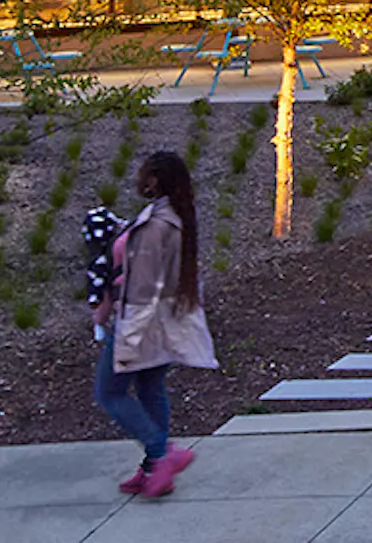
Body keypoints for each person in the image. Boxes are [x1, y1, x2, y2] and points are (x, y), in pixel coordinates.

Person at [96, 150, 217, 497]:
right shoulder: (175, 218)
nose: (138, 177)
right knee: (150, 389)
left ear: (154, 180)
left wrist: (123, 331)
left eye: (143, 172)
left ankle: (161, 452)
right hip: (164, 321)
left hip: (141, 322)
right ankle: (153, 469)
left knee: (110, 392)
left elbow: (143, 286)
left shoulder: (156, 226)